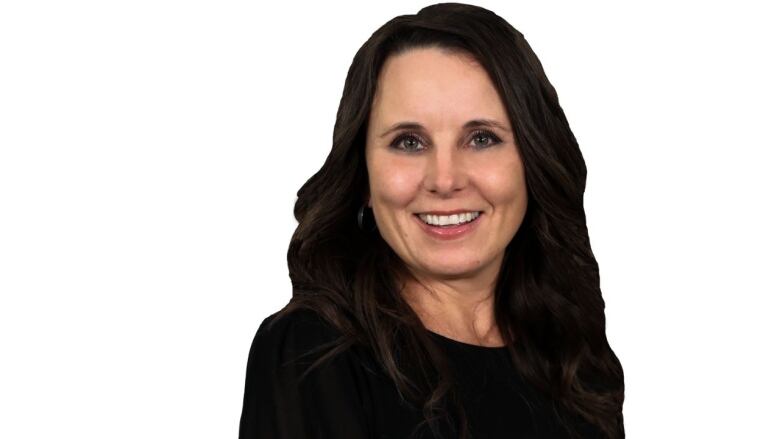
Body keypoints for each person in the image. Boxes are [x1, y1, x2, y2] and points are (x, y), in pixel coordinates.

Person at [239, 3, 624, 439]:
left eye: (482, 138)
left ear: (532, 161)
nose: (445, 179)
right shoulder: (312, 352)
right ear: (363, 175)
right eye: (408, 141)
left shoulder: (575, 357)